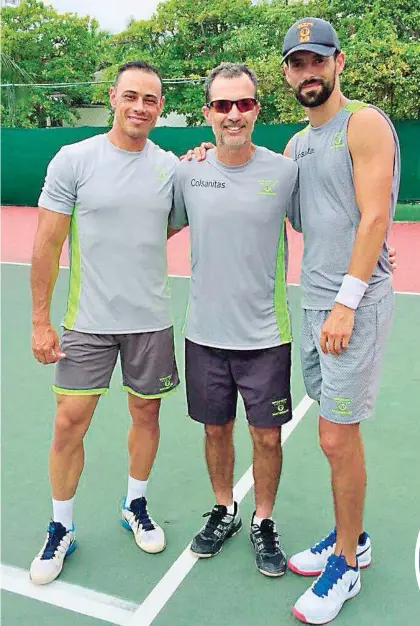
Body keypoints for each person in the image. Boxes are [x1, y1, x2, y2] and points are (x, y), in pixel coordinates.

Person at [29, 61, 179, 585]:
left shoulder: (171, 168)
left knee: (146, 417)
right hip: (86, 323)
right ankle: (60, 526)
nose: (140, 106)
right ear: (113, 97)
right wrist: (40, 322)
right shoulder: (74, 160)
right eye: (131, 96)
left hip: (150, 323)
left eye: (151, 99)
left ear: (160, 107)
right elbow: (47, 243)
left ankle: (135, 504)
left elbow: (187, 215)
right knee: (69, 423)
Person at [280, 17, 400, 624]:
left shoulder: (364, 123)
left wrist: (347, 302)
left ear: (338, 64)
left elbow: (373, 217)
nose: (309, 72)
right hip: (312, 305)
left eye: (317, 61)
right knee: (337, 439)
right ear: (287, 74)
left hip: (352, 306)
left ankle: (347, 565)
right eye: (297, 64)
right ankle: (353, 535)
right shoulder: (298, 144)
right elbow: (296, 216)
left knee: (333, 435)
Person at [170, 62, 302, 577]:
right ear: (207, 113)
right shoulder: (189, 172)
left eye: (243, 103)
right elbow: (154, 229)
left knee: (267, 437)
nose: (233, 114)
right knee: (215, 430)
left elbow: (327, 222)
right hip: (204, 334)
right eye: (222, 105)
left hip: (267, 337)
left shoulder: (285, 172)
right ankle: (224, 510)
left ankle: (263, 520)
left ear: (256, 110)